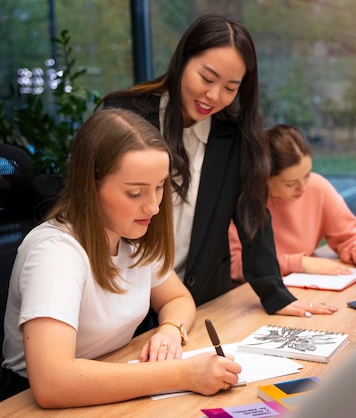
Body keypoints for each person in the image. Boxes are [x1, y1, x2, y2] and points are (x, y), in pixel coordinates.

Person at [100, 14, 336, 321]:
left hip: (199, 303)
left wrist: (275, 294)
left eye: (230, 87)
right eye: (207, 78)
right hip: (122, 302)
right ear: (183, 60)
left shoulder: (234, 133)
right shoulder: (125, 116)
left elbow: (251, 211)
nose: (213, 96)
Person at [1, 109, 241, 409]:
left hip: (110, 377)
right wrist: (180, 374)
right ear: (90, 187)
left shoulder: (131, 236)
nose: (153, 207)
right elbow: (52, 382)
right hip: (33, 403)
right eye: (135, 193)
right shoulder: (55, 253)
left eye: (158, 188)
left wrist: (170, 330)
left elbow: (177, 299)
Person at [229, 124, 356, 281]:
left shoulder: (318, 187)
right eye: (290, 184)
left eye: (306, 175)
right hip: (250, 296)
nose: (303, 188)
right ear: (263, 177)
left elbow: (349, 236)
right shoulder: (241, 201)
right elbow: (234, 264)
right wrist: (299, 263)